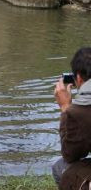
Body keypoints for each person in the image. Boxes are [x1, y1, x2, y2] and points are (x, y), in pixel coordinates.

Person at [52, 47, 91, 188]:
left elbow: (71, 154)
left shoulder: (81, 111)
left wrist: (65, 108)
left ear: (79, 78)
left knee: (60, 167)